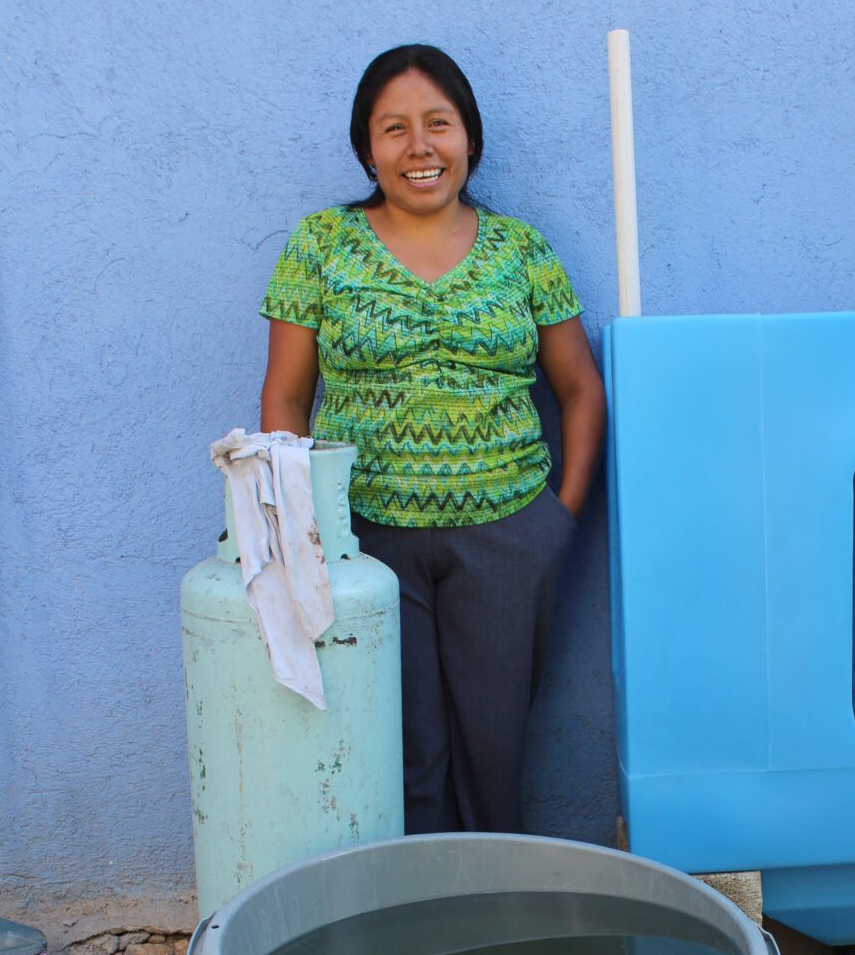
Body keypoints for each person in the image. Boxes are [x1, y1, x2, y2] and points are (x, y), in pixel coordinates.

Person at [259, 43, 606, 834]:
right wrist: (304, 529)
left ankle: (492, 939)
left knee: (496, 754)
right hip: (368, 545)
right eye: (394, 129)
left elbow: (581, 390)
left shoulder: (522, 250)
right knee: (402, 758)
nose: (420, 148)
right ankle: (417, 943)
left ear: (470, 140)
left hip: (508, 537)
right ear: (367, 150)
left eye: (438, 124)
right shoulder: (320, 246)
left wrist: (559, 521)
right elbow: (284, 396)